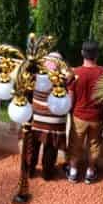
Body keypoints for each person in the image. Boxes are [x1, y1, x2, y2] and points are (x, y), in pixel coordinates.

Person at [66, 40, 103, 184]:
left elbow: (71, 97)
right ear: (97, 54)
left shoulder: (75, 73)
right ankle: (90, 172)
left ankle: (73, 171)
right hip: (97, 116)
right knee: (94, 145)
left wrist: (69, 110)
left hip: (79, 115)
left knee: (75, 144)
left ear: (82, 53)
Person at [25, 51, 69, 181]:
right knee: (50, 148)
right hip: (54, 120)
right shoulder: (64, 79)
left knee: (32, 146)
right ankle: (47, 173)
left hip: (36, 117)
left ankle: (29, 170)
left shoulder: (36, 76)